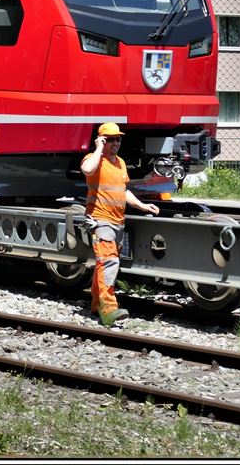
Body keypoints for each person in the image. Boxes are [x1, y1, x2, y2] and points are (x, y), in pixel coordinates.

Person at [81, 122, 160, 326]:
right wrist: (98, 148)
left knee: (104, 263)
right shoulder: (94, 159)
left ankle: (96, 305)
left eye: (118, 139)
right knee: (109, 262)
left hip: (118, 221)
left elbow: (123, 191)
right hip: (100, 219)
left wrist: (143, 206)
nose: (116, 142)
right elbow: (87, 170)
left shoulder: (121, 163)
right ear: (102, 140)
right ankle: (108, 310)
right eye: (110, 139)